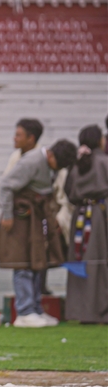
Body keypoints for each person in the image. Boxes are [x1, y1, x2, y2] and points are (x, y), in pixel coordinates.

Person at [0, 140, 77, 328]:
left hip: (37, 217)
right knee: (23, 263)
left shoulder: (49, 165)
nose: (58, 169)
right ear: (51, 155)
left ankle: (36, 309)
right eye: (59, 165)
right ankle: (24, 312)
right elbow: (5, 185)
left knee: (38, 262)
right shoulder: (32, 161)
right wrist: (7, 215)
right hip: (20, 217)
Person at [64, 125, 108, 324]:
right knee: (99, 263)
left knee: (80, 261)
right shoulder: (104, 162)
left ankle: (79, 310)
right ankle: (99, 311)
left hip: (79, 217)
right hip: (99, 216)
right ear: (99, 141)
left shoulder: (76, 165)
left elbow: (68, 191)